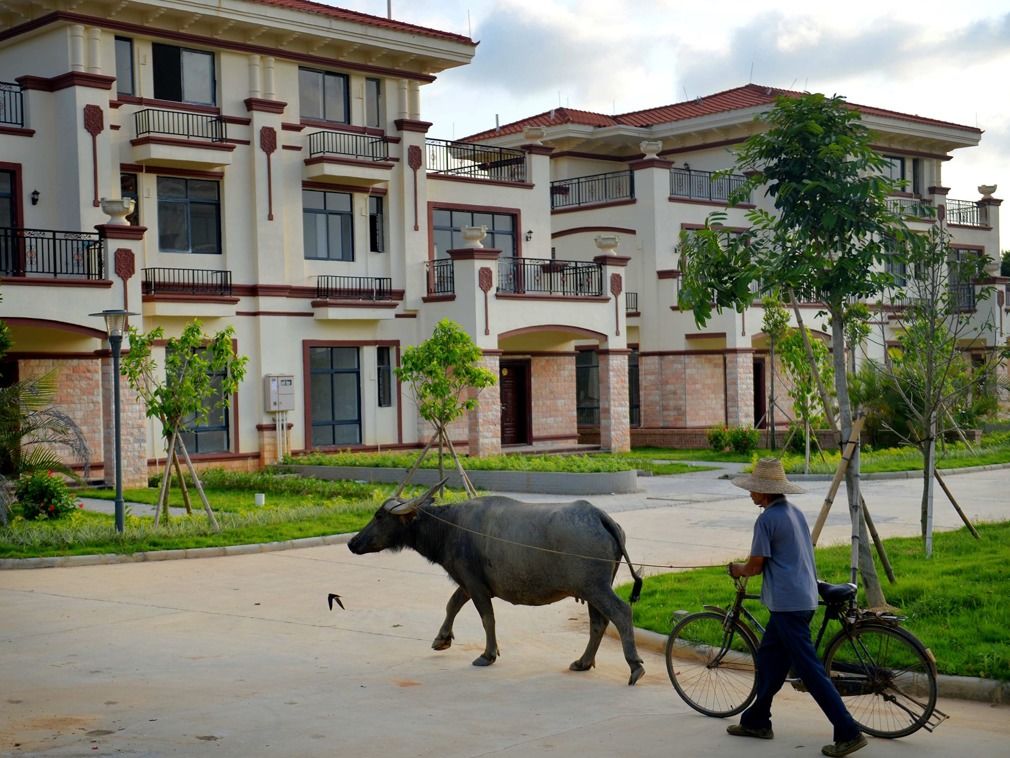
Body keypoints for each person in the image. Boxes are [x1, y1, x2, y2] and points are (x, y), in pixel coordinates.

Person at [726, 458, 868, 758]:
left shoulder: (766, 521)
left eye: (754, 490)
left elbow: (755, 566)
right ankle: (756, 721)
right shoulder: (794, 512)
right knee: (769, 661)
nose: (750, 494)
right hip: (801, 599)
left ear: (765, 493)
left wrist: (738, 569)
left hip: (788, 604)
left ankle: (848, 731)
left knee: (811, 671)